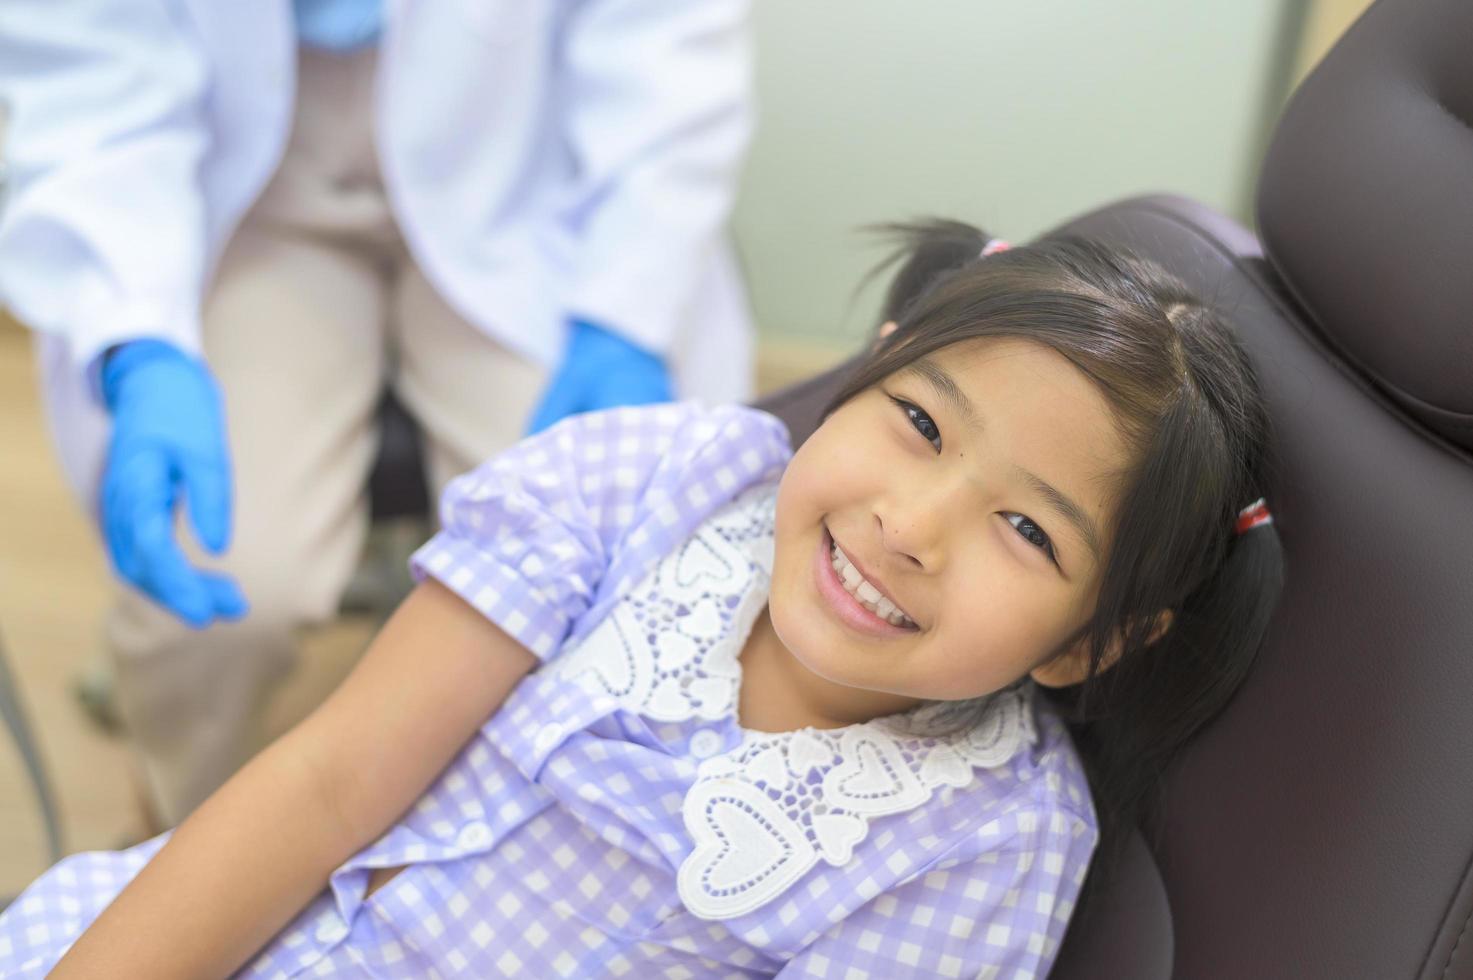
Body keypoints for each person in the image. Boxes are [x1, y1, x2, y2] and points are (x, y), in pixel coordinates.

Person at [0, 221, 1283, 977]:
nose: (909, 525)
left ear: (1094, 640)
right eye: (918, 422)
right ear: (872, 366)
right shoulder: (649, 480)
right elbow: (327, 781)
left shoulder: (991, 842)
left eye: (1022, 527)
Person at [0, 0, 755, 825]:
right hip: (246, 182)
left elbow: (664, 51)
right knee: (218, 588)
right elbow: (90, 80)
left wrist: (621, 319)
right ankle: (181, 825)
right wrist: (139, 345)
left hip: (521, 162)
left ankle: (485, 853)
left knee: (590, 569)